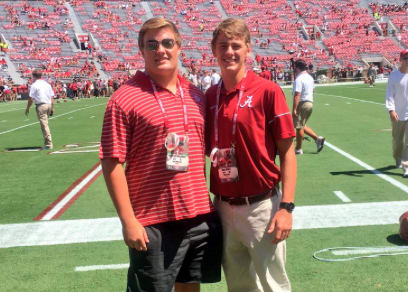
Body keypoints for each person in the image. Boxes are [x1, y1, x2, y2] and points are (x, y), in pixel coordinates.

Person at [99, 17, 222, 292]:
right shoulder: (123, 98)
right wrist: (128, 221)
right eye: (151, 44)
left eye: (167, 43)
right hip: (152, 221)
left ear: (179, 47)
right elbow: (111, 162)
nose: (160, 50)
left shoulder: (195, 94)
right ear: (141, 50)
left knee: (190, 287)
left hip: (199, 214)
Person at [206, 18, 296, 292]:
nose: (229, 52)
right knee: (239, 286)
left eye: (236, 45)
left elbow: (288, 152)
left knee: (274, 285)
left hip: (261, 207)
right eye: (223, 46)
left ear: (248, 49)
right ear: (214, 50)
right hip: (222, 206)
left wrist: (286, 208)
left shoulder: (267, 90)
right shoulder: (209, 96)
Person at [292, 59, 325, 155]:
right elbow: (313, 90)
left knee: (298, 127)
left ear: (297, 68)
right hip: (310, 102)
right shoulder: (309, 77)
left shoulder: (299, 79)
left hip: (302, 103)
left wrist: (294, 108)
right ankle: (317, 139)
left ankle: (298, 149)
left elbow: (297, 94)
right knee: (302, 125)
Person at [385, 49, 408, 176]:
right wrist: (391, 110)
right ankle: (398, 158)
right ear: (400, 60)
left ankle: (406, 166)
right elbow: (389, 95)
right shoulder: (394, 76)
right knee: (397, 141)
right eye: (405, 58)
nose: (407, 61)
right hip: (398, 114)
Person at [25, 69, 54, 150]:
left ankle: (48, 144)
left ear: (34, 76)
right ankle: (47, 143)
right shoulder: (47, 84)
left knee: (44, 125)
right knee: (46, 124)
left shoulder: (34, 85)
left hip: (41, 105)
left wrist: (27, 108)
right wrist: (52, 107)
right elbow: (52, 96)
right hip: (48, 104)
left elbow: (31, 98)